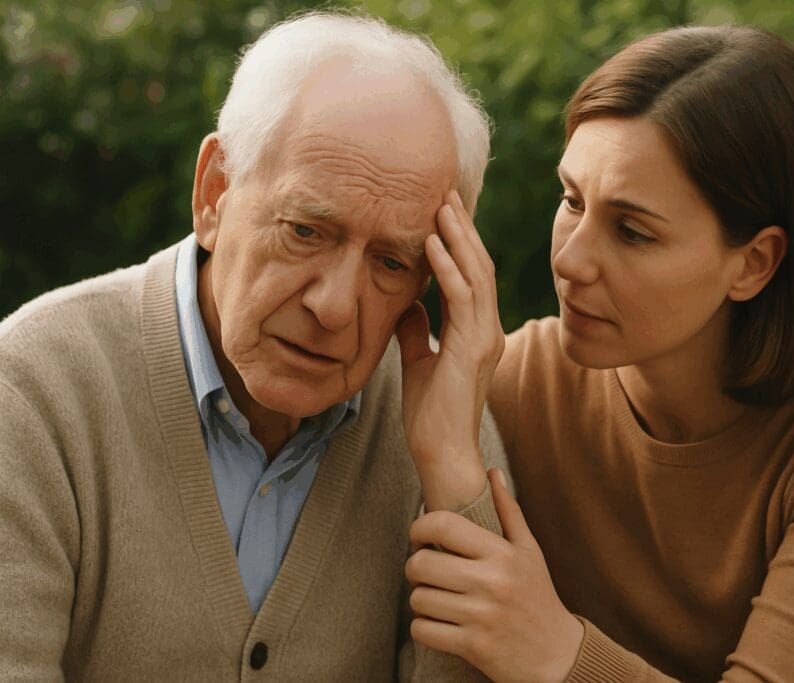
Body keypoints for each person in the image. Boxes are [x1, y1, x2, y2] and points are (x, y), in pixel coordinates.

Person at [403, 25, 794, 682]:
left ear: (755, 262)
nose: (570, 259)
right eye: (572, 200)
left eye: (632, 231)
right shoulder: (522, 382)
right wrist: (446, 450)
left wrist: (557, 650)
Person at [0, 12, 509, 681]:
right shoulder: (30, 391)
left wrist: (452, 478)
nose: (333, 306)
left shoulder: (443, 433)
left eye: (391, 262)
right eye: (305, 230)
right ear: (214, 192)